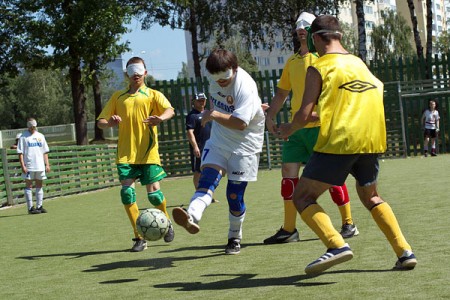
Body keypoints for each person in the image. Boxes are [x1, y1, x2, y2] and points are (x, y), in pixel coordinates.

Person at [278, 15, 417, 274]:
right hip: (371, 139)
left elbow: (304, 115)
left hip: (341, 140)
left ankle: (336, 245)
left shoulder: (319, 67)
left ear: (316, 38)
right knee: (371, 196)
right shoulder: (360, 64)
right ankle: (404, 251)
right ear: (340, 36)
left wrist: (288, 128)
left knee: (302, 196)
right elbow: (355, 103)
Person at [263, 12, 357, 244]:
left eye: (306, 25)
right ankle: (289, 229)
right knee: (288, 175)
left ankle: (348, 223)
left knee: (332, 177)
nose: (301, 28)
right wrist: (270, 116)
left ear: (314, 31)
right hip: (296, 130)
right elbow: (282, 94)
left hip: (320, 127)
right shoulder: (292, 62)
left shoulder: (324, 59)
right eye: (298, 25)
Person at [172, 49, 265, 255]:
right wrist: (211, 112)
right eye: (216, 78)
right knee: (207, 180)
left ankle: (234, 236)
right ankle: (192, 215)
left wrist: (212, 114)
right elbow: (218, 102)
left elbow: (240, 123)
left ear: (235, 68)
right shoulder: (215, 81)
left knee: (234, 195)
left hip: (245, 145)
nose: (220, 82)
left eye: (225, 77)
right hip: (219, 140)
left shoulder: (245, 85)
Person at [97, 56, 175, 252]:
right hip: (125, 154)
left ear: (145, 73)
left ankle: (166, 223)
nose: (136, 75)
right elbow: (100, 122)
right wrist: (110, 123)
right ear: (127, 74)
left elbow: (170, 110)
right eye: (132, 72)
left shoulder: (152, 94)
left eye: (139, 71)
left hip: (148, 153)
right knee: (127, 193)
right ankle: (139, 237)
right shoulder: (118, 97)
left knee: (155, 197)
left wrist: (160, 119)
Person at [185, 92, 218, 203]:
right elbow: (190, 132)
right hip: (199, 148)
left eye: (203, 100)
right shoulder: (192, 116)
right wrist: (195, 147)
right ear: (193, 102)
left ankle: (208, 194)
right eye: (199, 100)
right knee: (198, 172)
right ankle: (200, 195)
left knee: (209, 171)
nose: (202, 102)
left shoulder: (208, 113)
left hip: (211, 147)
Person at [17, 118, 50, 214]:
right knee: (29, 185)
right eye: (31, 127)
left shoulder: (41, 136)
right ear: (28, 126)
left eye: (34, 127)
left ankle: (39, 206)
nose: (33, 129)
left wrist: (47, 164)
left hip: (40, 165)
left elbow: (45, 151)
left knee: (39, 185)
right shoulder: (23, 137)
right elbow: (20, 153)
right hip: (29, 166)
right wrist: (23, 165)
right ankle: (30, 208)